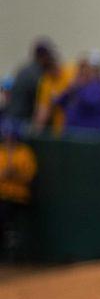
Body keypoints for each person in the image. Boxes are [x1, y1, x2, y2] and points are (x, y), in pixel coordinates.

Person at [0, 118, 36, 262]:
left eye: (11, 136)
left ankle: (11, 251)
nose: (9, 138)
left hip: (18, 197)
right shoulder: (1, 151)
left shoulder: (24, 152)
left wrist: (13, 174)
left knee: (5, 211)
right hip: (2, 195)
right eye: (7, 135)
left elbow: (29, 177)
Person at [9, 40, 48, 124]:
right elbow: (40, 96)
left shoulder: (24, 70)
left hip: (13, 115)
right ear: (44, 57)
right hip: (24, 118)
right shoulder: (37, 73)